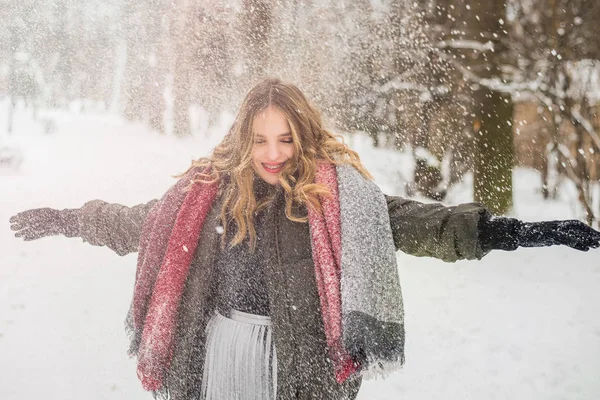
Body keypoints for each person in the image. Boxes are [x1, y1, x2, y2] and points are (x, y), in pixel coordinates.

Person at [9, 78, 600, 400]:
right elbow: (136, 224)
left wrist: (510, 232)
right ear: (244, 136)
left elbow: (420, 223)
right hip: (217, 362)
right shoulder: (204, 195)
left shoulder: (335, 199)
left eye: (286, 139)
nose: (273, 154)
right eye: (262, 139)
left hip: (300, 368)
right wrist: (69, 218)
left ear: (304, 137)